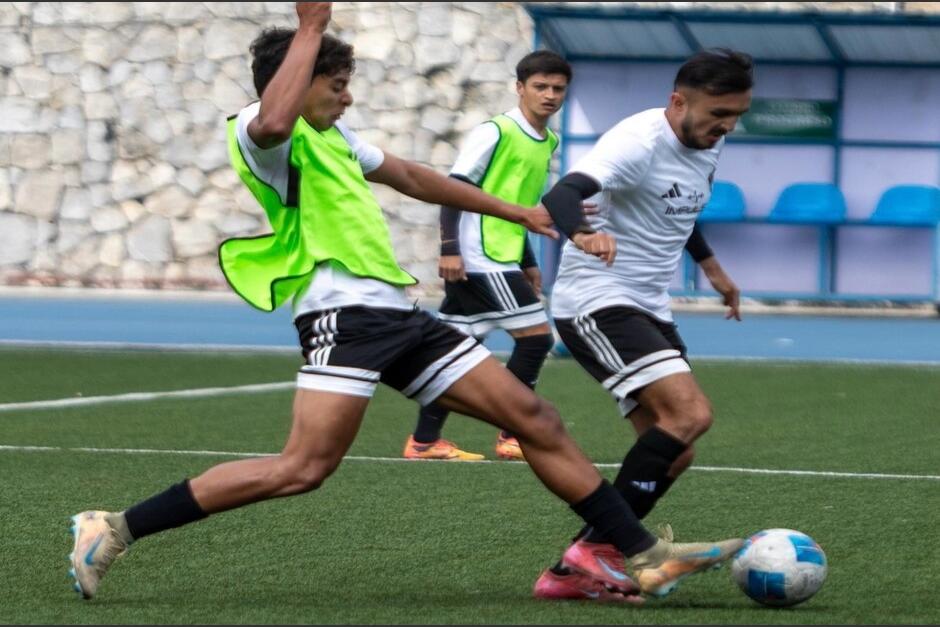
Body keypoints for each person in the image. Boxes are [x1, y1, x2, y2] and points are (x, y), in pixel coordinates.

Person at [67, 4, 741, 603]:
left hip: (398, 313)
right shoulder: (259, 132)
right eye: (336, 85)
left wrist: (517, 211)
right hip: (342, 316)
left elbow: (416, 176)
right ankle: (117, 526)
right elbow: (275, 115)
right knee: (304, 467)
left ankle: (639, 554)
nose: (348, 95)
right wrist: (310, 26)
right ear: (299, 81)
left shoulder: (336, 138)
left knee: (534, 414)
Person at [531, 49, 752, 601]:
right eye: (718, 113)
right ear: (678, 102)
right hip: (596, 299)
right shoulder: (636, 143)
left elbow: (679, 207)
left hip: (649, 303)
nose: (727, 126)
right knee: (690, 413)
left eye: (736, 114)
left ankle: (573, 569)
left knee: (677, 447)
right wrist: (581, 235)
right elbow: (561, 195)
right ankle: (598, 553)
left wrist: (713, 268)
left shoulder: (707, 140)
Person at [402, 50, 570, 463]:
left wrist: (528, 260)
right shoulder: (494, 132)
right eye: (540, 86)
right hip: (479, 257)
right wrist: (449, 250)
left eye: (558, 88)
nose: (549, 95)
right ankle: (512, 433)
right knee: (536, 340)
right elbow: (452, 189)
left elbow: (519, 205)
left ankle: (423, 442)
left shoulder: (549, 140)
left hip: (503, 255)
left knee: (455, 352)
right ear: (519, 88)